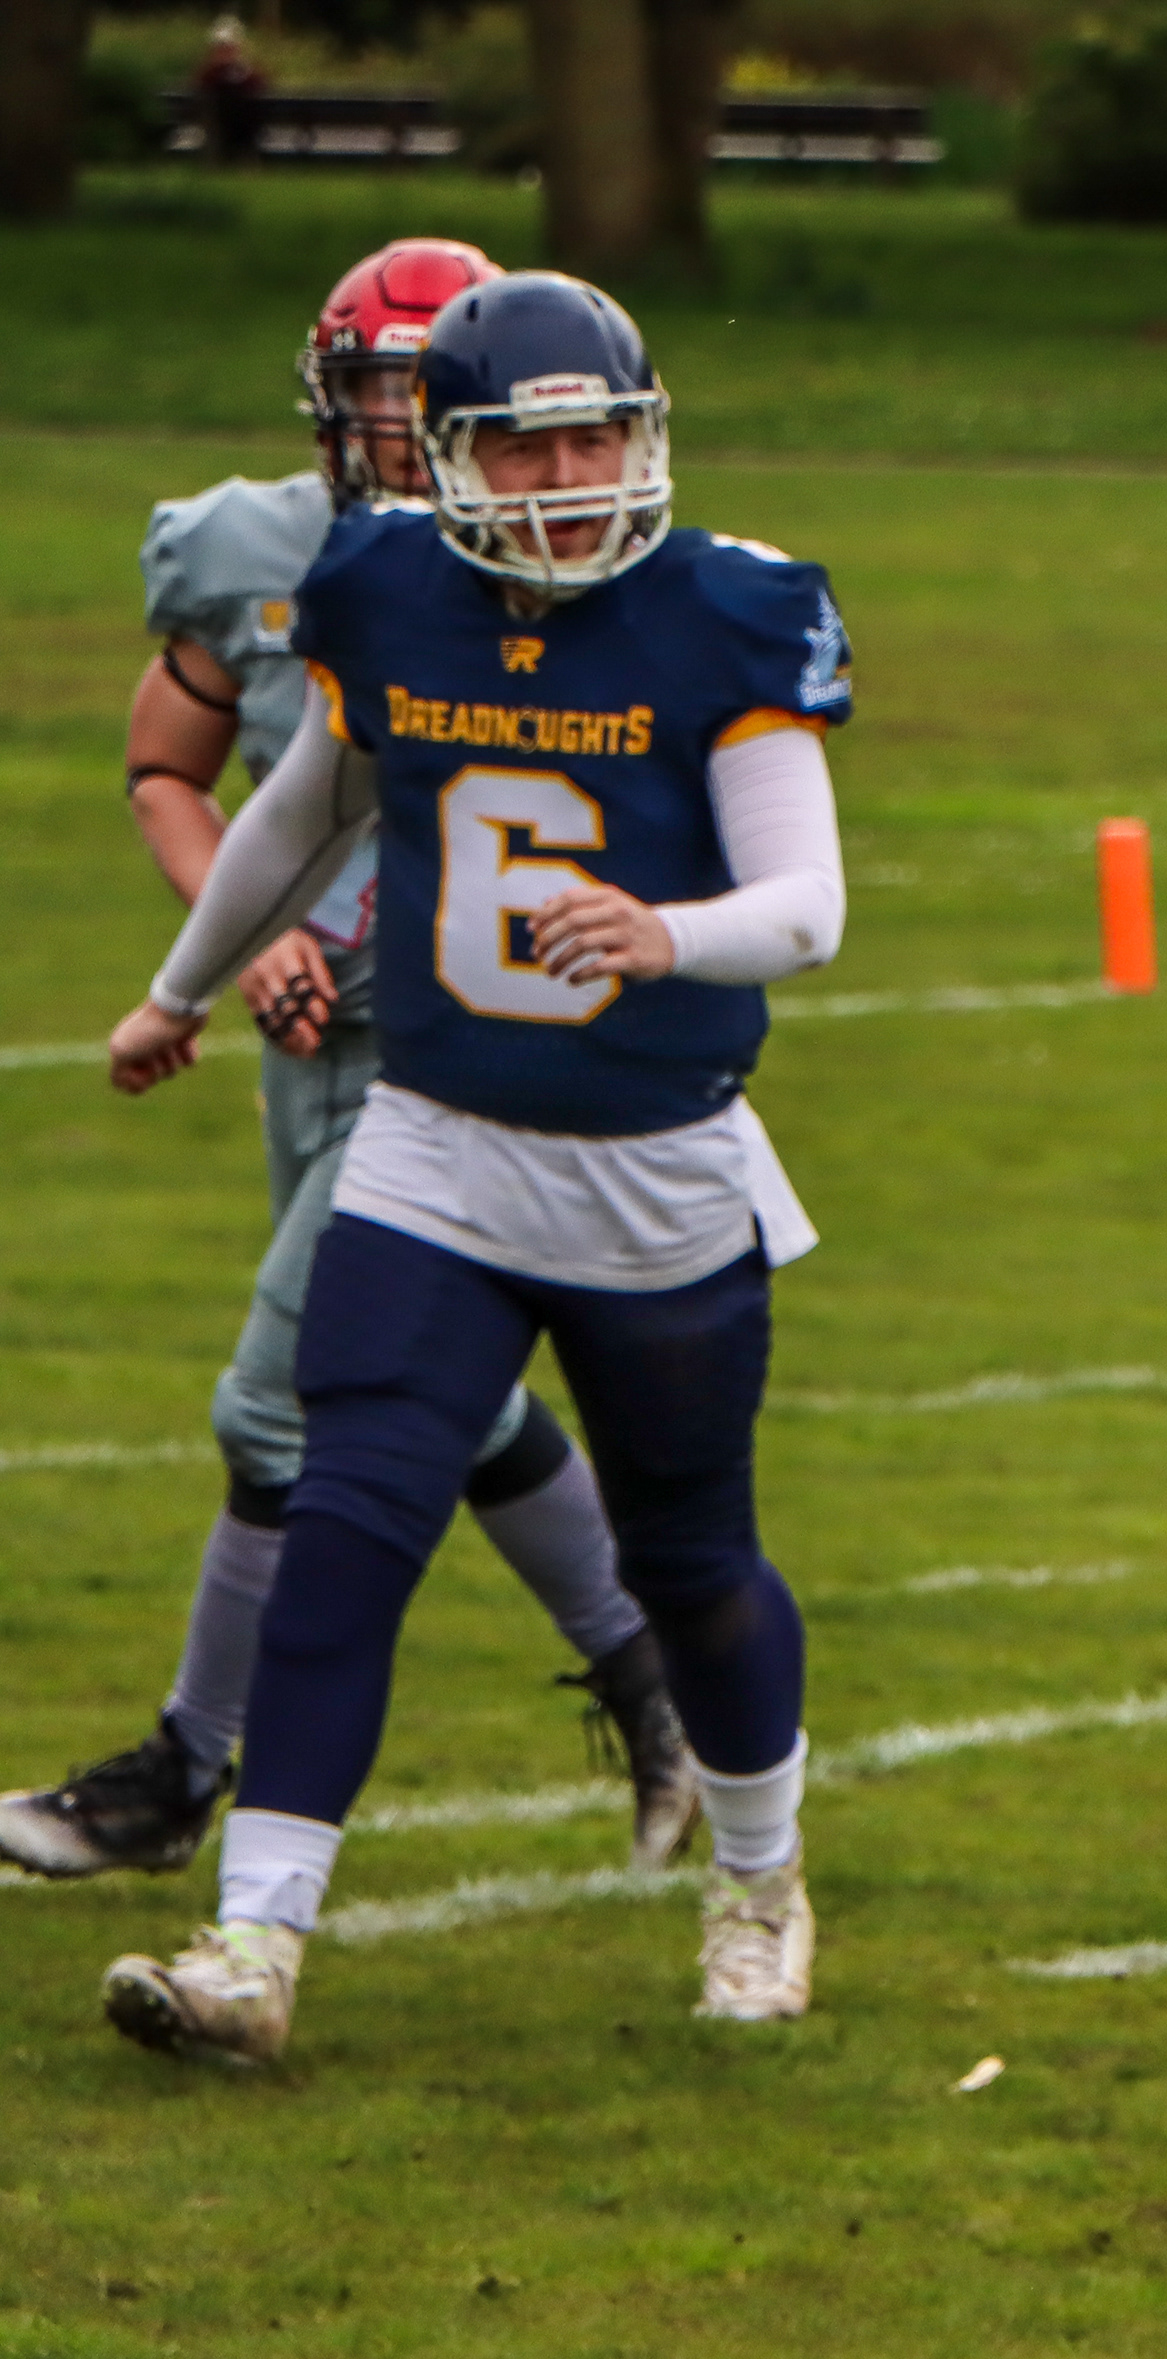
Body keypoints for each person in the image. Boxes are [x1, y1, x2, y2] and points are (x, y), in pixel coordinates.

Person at [93, 271, 853, 2063]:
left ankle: (761, 1880)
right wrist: (178, 988)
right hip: (434, 1146)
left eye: (600, 439)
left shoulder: (728, 611)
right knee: (347, 1520)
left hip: (653, 1164)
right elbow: (299, 814)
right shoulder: (386, 588)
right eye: (527, 445)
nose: (572, 477)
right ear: (446, 457)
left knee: (694, 1564)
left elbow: (807, 906)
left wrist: (666, 935)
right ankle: (254, 1948)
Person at [0, 239, 693, 1890]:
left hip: (459, 1053)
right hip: (306, 1051)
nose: (404, 419)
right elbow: (171, 770)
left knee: (281, 1406)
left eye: (427, 387)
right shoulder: (249, 550)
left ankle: (184, 1770)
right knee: (439, 1397)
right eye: (381, 386)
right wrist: (240, 941)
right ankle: (657, 1679)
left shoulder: (575, 562)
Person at [195, 16, 269, 166]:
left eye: (228, 48)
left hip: (240, 125)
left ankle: (239, 157)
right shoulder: (211, 72)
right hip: (222, 123)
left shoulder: (245, 71)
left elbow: (260, 85)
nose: (226, 52)